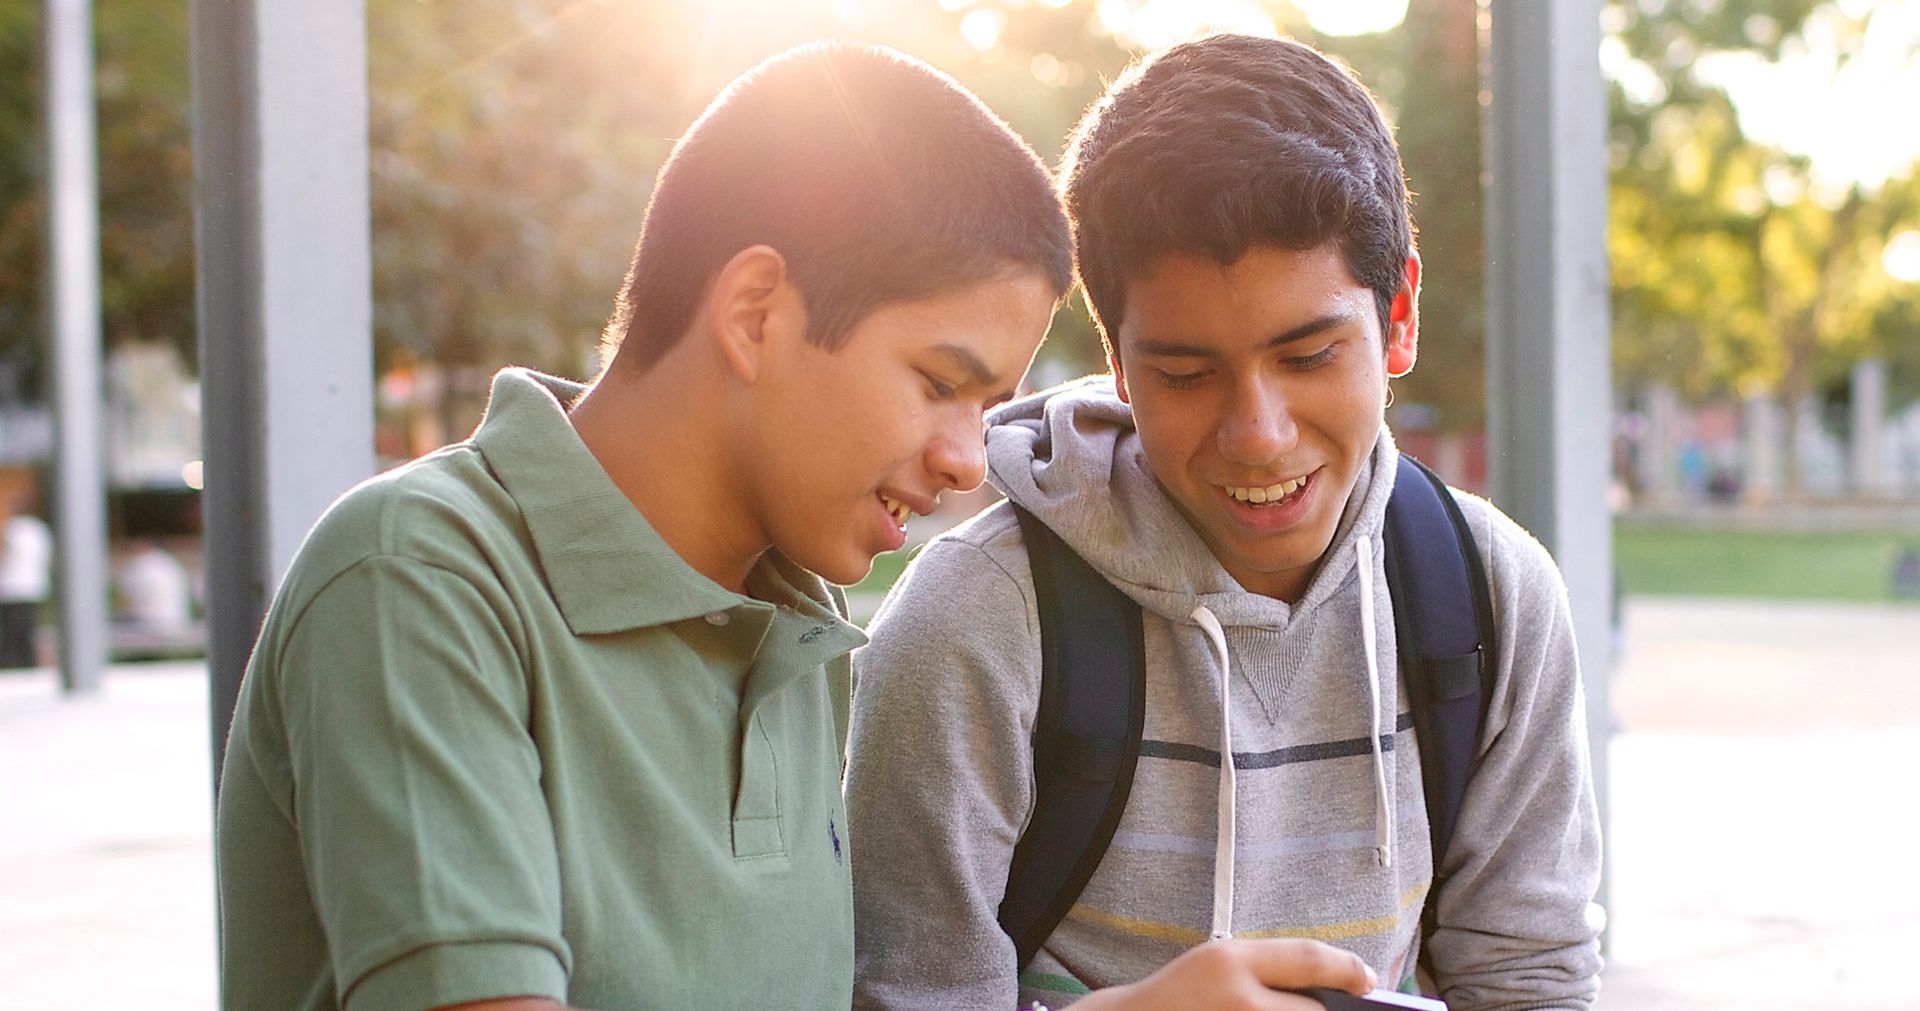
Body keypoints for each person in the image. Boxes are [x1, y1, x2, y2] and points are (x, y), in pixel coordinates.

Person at [214, 42, 1377, 1011]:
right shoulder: (420, 582)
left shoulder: (795, 635)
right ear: (757, 310)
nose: (969, 460)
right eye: (940, 382)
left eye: (988, 406)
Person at [846, 34, 1604, 1011]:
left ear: (1400, 314)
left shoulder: (1489, 596)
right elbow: (906, 996)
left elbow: (1530, 981)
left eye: (1309, 356)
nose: (1257, 434)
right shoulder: (978, 624)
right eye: (1186, 374)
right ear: (1117, 363)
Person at [0, 486, 52, 668]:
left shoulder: (12, 529)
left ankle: (13, 664)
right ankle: (27, 663)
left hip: (12, 586)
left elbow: (5, 556)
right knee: (27, 629)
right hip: (34, 585)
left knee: (12, 632)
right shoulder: (40, 529)